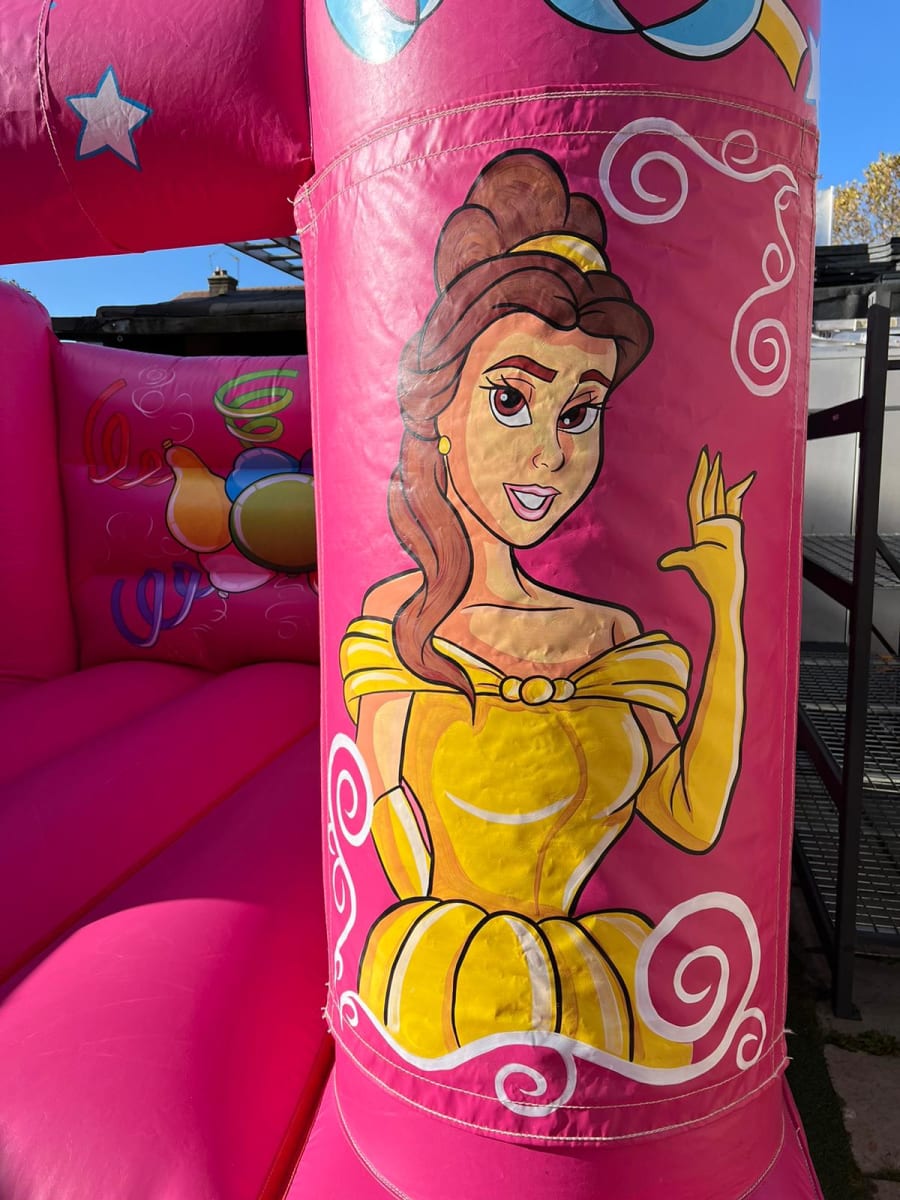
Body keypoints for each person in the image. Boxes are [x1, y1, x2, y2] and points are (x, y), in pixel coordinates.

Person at [340, 150, 753, 1066]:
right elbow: (395, 833)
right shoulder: (396, 623)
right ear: (439, 413)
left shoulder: (614, 638)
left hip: (596, 985)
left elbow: (692, 818)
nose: (551, 453)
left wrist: (727, 615)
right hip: (438, 982)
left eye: (579, 413)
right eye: (510, 399)